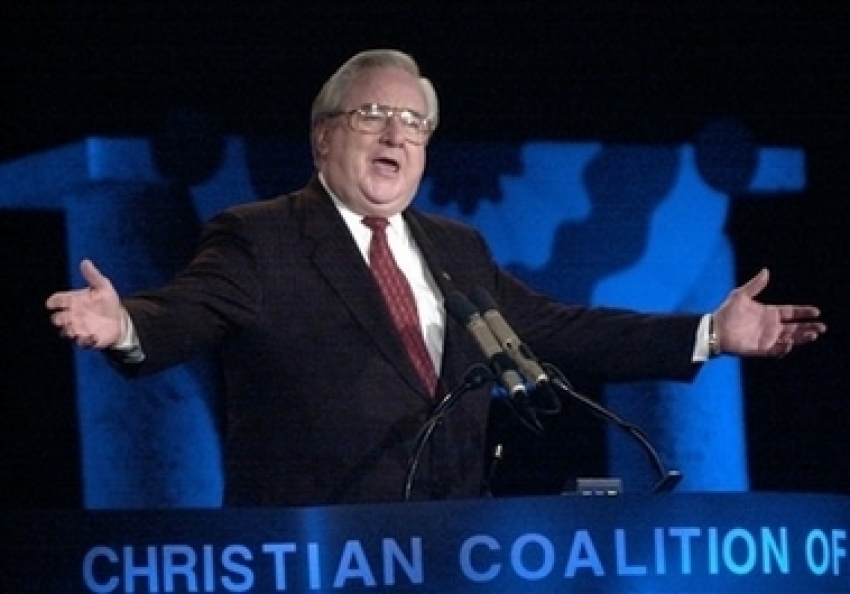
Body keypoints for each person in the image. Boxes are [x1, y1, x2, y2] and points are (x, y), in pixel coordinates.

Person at [45, 49, 825, 507]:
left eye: (414, 124)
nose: (396, 134)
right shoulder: (262, 236)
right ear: (323, 140)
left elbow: (560, 327)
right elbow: (188, 311)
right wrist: (126, 326)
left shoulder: (456, 247)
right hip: (316, 559)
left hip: (454, 552)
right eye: (372, 116)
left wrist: (710, 333)